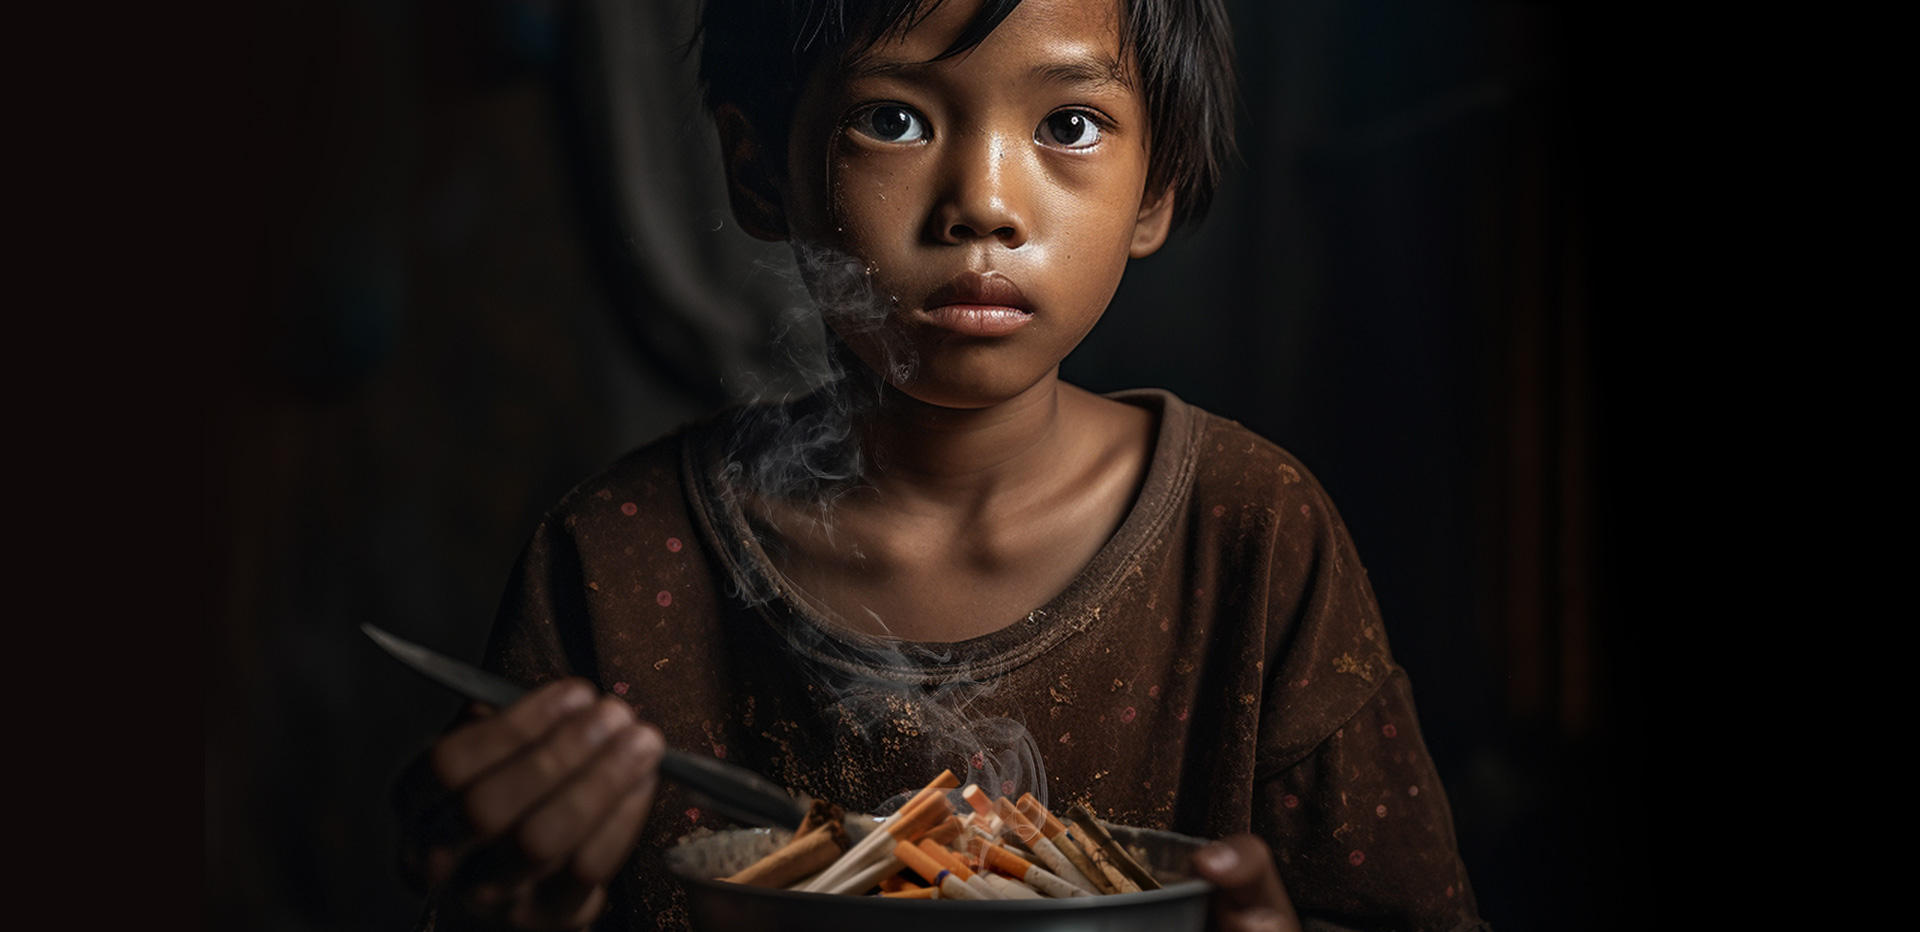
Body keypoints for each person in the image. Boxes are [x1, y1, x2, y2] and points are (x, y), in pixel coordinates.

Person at [393, 1, 1488, 930]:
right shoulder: (616, 560)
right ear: (762, 171)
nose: (984, 204)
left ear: (1157, 186)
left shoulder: (1252, 531)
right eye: (893, 118)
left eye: (1068, 123)